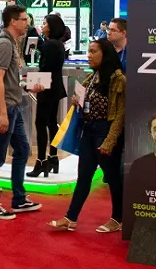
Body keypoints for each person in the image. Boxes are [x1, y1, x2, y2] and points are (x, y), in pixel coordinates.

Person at [49, 39, 124, 232]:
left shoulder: (118, 80)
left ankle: (118, 218)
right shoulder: (91, 78)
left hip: (104, 132)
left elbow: (120, 115)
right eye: (88, 51)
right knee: (83, 176)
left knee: (112, 177)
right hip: (88, 131)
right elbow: (84, 105)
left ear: (104, 54)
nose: (89, 55)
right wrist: (78, 102)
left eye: (93, 51)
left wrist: (110, 141)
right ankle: (71, 217)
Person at [0, 4, 42, 219]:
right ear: (13, 21)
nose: (28, 23)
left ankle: (19, 198)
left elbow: (8, 79)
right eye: (24, 19)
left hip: (12, 106)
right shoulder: (4, 44)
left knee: (23, 150)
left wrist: (24, 87)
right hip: (4, 108)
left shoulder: (11, 42)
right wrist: (2, 113)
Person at [28, 14, 67, 178]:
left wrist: (33, 83)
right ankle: (53, 157)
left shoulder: (51, 44)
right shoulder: (58, 44)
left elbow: (45, 69)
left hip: (47, 88)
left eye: (44, 23)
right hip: (55, 87)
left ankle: (41, 161)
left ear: (51, 27)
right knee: (51, 122)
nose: (42, 26)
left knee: (41, 123)